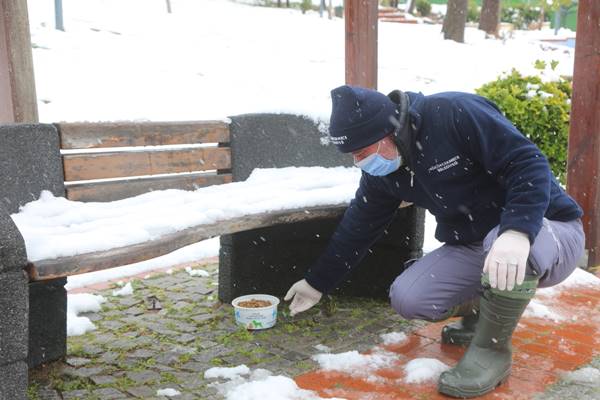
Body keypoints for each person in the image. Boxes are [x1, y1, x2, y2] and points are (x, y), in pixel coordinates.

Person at [284, 85, 585, 398]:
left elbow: (527, 162)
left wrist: (518, 230)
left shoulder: (454, 113)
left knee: (504, 241)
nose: (359, 161)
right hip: (476, 244)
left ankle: (491, 351)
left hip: (548, 231)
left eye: (362, 151)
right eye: (353, 155)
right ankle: (484, 314)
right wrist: (317, 282)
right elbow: (358, 226)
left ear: (391, 132)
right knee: (409, 297)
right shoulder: (385, 171)